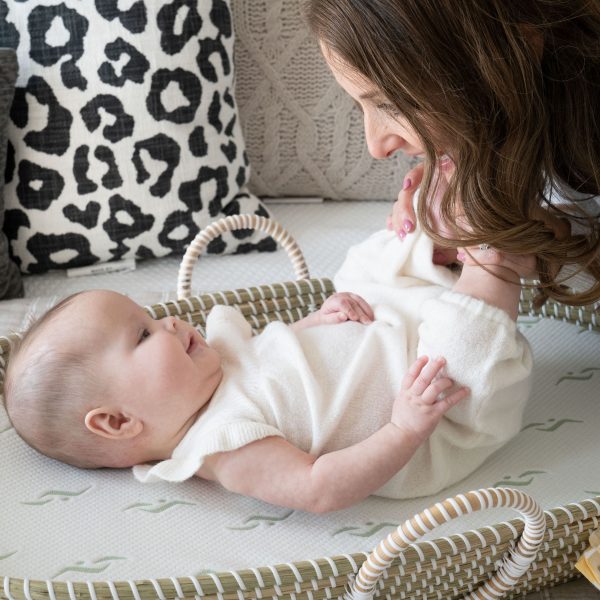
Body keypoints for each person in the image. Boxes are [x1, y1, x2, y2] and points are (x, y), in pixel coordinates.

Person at [3, 225, 533, 513]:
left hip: (392, 330)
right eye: (142, 334)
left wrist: (318, 320)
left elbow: (275, 357)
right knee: (465, 338)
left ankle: (436, 232)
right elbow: (318, 488)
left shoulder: (209, 369)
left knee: (365, 263)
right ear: (119, 422)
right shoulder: (223, 444)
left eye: (150, 315)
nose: (166, 321)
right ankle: (498, 257)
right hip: (441, 407)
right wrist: (403, 428)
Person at [305, 0, 600, 306]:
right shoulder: (526, 117)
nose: (376, 147)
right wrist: (537, 234)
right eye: (359, 105)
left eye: (391, 105)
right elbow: (576, 213)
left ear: (514, 52)